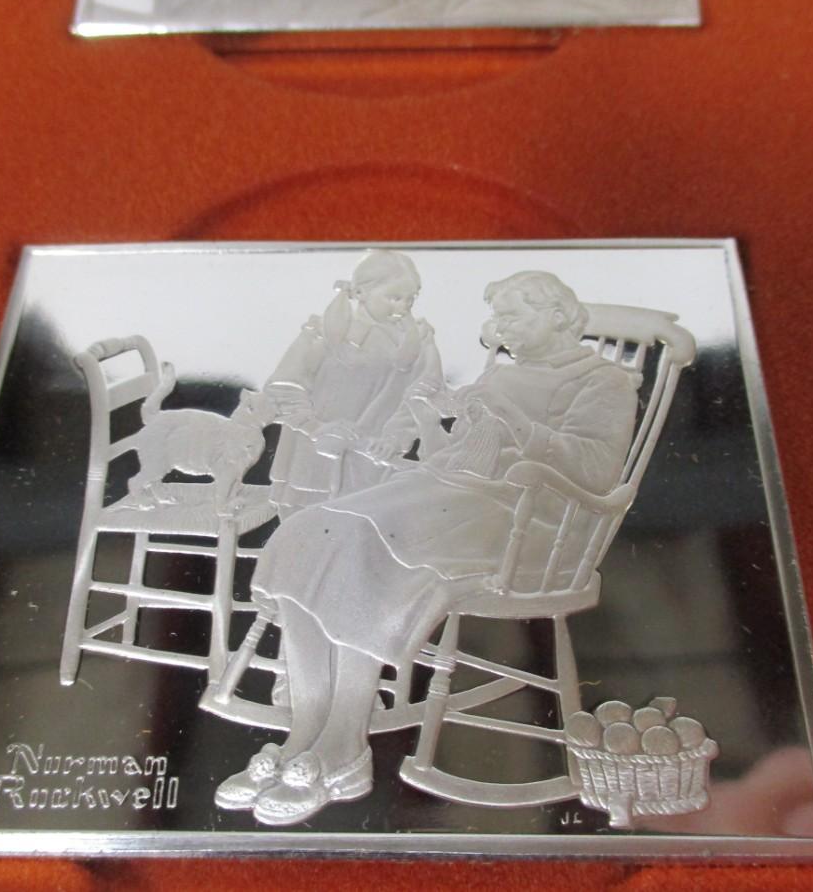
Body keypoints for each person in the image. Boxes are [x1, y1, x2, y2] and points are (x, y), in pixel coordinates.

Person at [215, 270, 640, 825]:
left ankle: (344, 745)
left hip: (528, 523)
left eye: (513, 315)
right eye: (498, 316)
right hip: (454, 497)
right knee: (310, 530)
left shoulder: (604, 381)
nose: (500, 327)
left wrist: (515, 425)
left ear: (557, 315)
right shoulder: (502, 375)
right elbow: (454, 455)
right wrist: (428, 418)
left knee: (366, 547)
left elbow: (597, 471)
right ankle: (305, 733)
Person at [264, 250, 443, 519]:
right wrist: (315, 428)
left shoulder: (418, 341)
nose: (403, 308)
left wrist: (395, 438)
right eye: (394, 298)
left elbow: (422, 393)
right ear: (360, 293)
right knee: (301, 533)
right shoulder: (324, 331)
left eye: (410, 299)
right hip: (311, 465)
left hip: (372, 466)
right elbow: (284, 385)